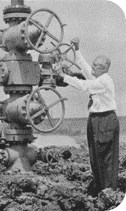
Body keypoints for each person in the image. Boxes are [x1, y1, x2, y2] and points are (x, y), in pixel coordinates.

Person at [56, 38, 119, 195]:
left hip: (105, 120)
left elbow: (84, 85)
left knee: (106, 158)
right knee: (95, 156)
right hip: (95, 119)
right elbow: (85, 69)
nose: (93, 67)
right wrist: (77, 50)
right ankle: (100, 189)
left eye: (96, 66)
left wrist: (63, 76)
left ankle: (109, 191)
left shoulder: (104, 81)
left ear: (104, 69)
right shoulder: (98, 77)